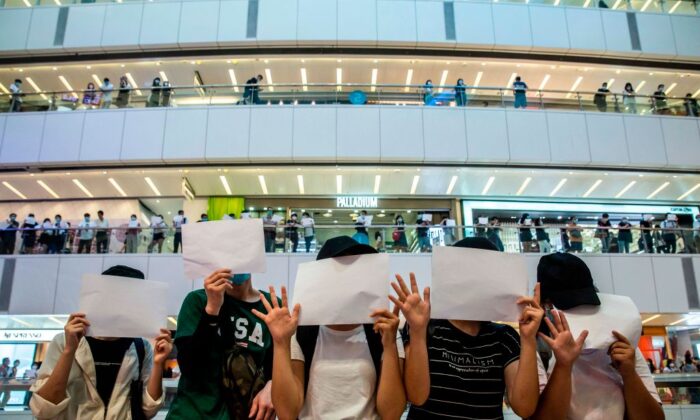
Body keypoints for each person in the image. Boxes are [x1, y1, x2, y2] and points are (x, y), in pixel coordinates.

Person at [251, 236, 406, 420]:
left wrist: (389, 346)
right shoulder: (303, 331)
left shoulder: (383, 329)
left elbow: (392, 413)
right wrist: (280, 343)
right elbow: (287, 412)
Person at [396, 237, 543, 419]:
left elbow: (525, 407)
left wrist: (528, 340)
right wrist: (417, 332)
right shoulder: (425, 328)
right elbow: (416, 397)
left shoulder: (505, 337)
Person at [30, 265, 172, 420]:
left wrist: (159, 364)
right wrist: (69, 350)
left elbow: (149, 409)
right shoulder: (65, 341)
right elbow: (43, 410)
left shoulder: (141, 347)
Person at [532, 253, 663, 420]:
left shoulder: (621, 342)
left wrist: (629, 373)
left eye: (586, 302)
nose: (581, 312)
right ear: (546, 304)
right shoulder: (538, 347)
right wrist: (563, 365)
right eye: (570, 307)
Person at [167, 270, 276, 419]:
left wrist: (273, 385)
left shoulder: (270, 305)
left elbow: (280, 363)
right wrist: (212, 309)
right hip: (194, 413)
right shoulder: (198, 300)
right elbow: (189, 368)